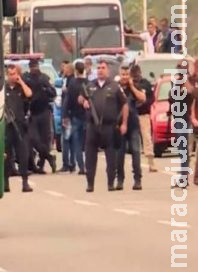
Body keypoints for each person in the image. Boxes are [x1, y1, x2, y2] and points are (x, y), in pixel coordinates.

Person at [79, 60, 129, 192]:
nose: (100, 70)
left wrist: (124, 123)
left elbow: (124, 104)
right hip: (92, 126)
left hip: (109, 126)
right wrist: (83, 101)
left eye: (103, 68)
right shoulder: (90, 86)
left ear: (108, 71)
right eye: (99, 68)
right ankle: (90, 183)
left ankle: (110, 183)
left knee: (111, 156)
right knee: (90, 155)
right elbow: (80, 98)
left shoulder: (114, 86)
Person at [24, 59, 57, 174]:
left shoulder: (44, 78)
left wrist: (46, 89)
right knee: (33, 139)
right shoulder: (26, 78)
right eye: (32, 66)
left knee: (44, 140)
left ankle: (41, 164)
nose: (34, 68)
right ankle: (50, 157)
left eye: (35, 66)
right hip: (33, 112)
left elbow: (53, 93)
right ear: (29, 67)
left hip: (44, 111)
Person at [115, 65, 146, 190]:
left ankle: (137, 180)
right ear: (119, 74)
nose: (125, 77)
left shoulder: (134, 86)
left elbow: (143, 98)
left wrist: (132, 86)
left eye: (127, 74)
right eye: (123, 74)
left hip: (133, 125)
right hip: (118, 125)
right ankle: (120, 180)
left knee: (136, 152)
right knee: (119, 154)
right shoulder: (115, 87)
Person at [4, 64, 33, 193]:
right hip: (7, 126)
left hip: (20, 126)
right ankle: (5, 183)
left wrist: (20, 81)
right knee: (7, 156)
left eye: (14, 74)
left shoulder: (20, 88)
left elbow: (29, 94)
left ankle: (25, 182)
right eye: (10, 74)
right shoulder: (3, 88)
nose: (12, 76)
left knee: (23, 154)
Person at [62, 61, 87, 174]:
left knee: (76, 142)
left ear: (76, 71)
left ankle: (81, 167)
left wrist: (65, 115)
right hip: (87, 116)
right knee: (87, 143)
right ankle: (88, 165)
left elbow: (67, 101)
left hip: (75, 116)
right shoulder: (88, 83)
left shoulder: (72, 84)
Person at [131, 64, 157, 172]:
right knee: (133, 139)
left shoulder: (145, 83)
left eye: (137, 74)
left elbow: (152, 98)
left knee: (147, 138)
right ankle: (135, 164)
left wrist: (145, 103)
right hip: (132, 114)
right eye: (134, 75)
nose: (137, 76)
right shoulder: (130, 84)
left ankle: (151, 163)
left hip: (143, 114)